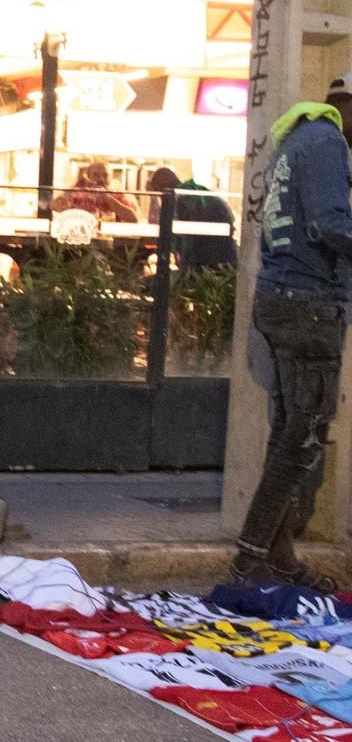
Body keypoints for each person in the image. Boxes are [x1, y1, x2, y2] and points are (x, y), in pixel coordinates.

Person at [230, 79, 352, 593]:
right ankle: (249, 559)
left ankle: (276, 556)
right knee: (300, 442)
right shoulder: (328, 143)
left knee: (286, 437)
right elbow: (330, 224)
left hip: (281, 299)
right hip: (309, 307)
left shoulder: (295, 141)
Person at [147, 166, 239, 271]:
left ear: (160, 188)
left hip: (213, 257)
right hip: (224, 255)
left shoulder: (183, 199)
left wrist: (184, 269)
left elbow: (189, 238)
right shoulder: (190, 192)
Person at [51, 161, 138, 224]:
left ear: (111, 177)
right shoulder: (77, 195)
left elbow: (133, 219)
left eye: (105, 175)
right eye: (96, 175)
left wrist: (107, 197)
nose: (101, 179)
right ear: (89, 176)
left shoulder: (118, 196)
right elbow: (53, 207)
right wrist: (71, 190)